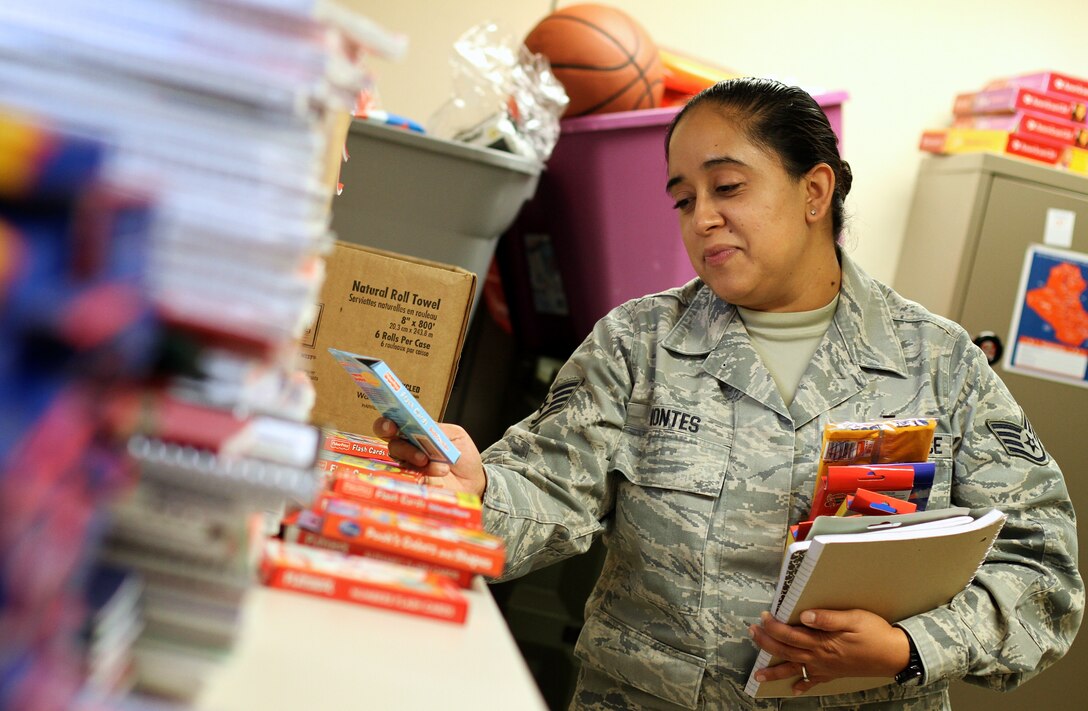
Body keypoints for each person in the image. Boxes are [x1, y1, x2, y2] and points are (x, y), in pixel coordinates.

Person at [375, 78, 1083, 710]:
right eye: (684, 199)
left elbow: (1042, 570)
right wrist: (475, 486)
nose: (701, 217)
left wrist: (909, 647)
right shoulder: (641, 341)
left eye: (728, 187)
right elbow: (548, 488)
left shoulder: (940, 364)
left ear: (815, 191)